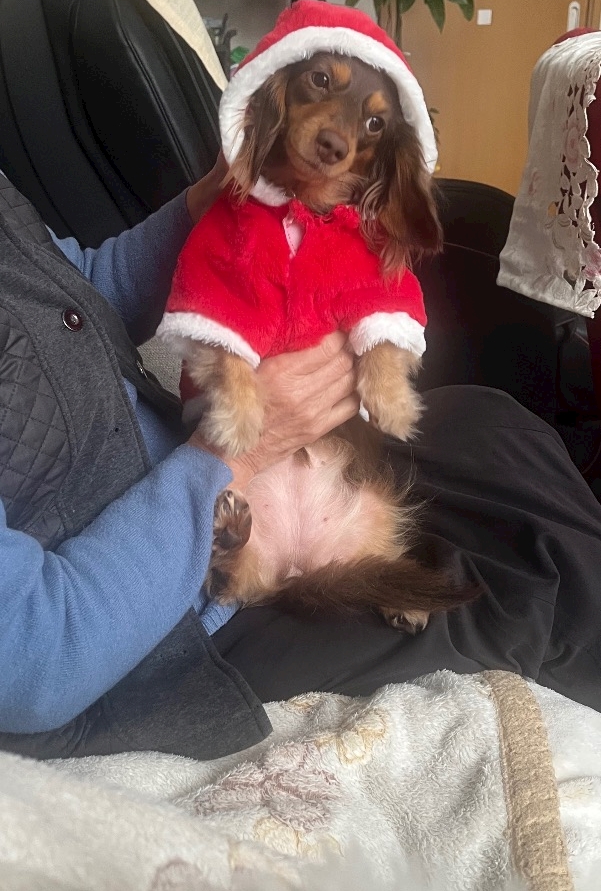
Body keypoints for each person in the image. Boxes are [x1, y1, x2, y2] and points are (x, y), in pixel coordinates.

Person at [2, 157, 601, 762]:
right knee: (533, 589)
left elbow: (78, 286)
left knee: (491, 423)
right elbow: (32, 659)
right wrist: (236, 454)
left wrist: (213, 200)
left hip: (198, 466)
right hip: (147, 623)